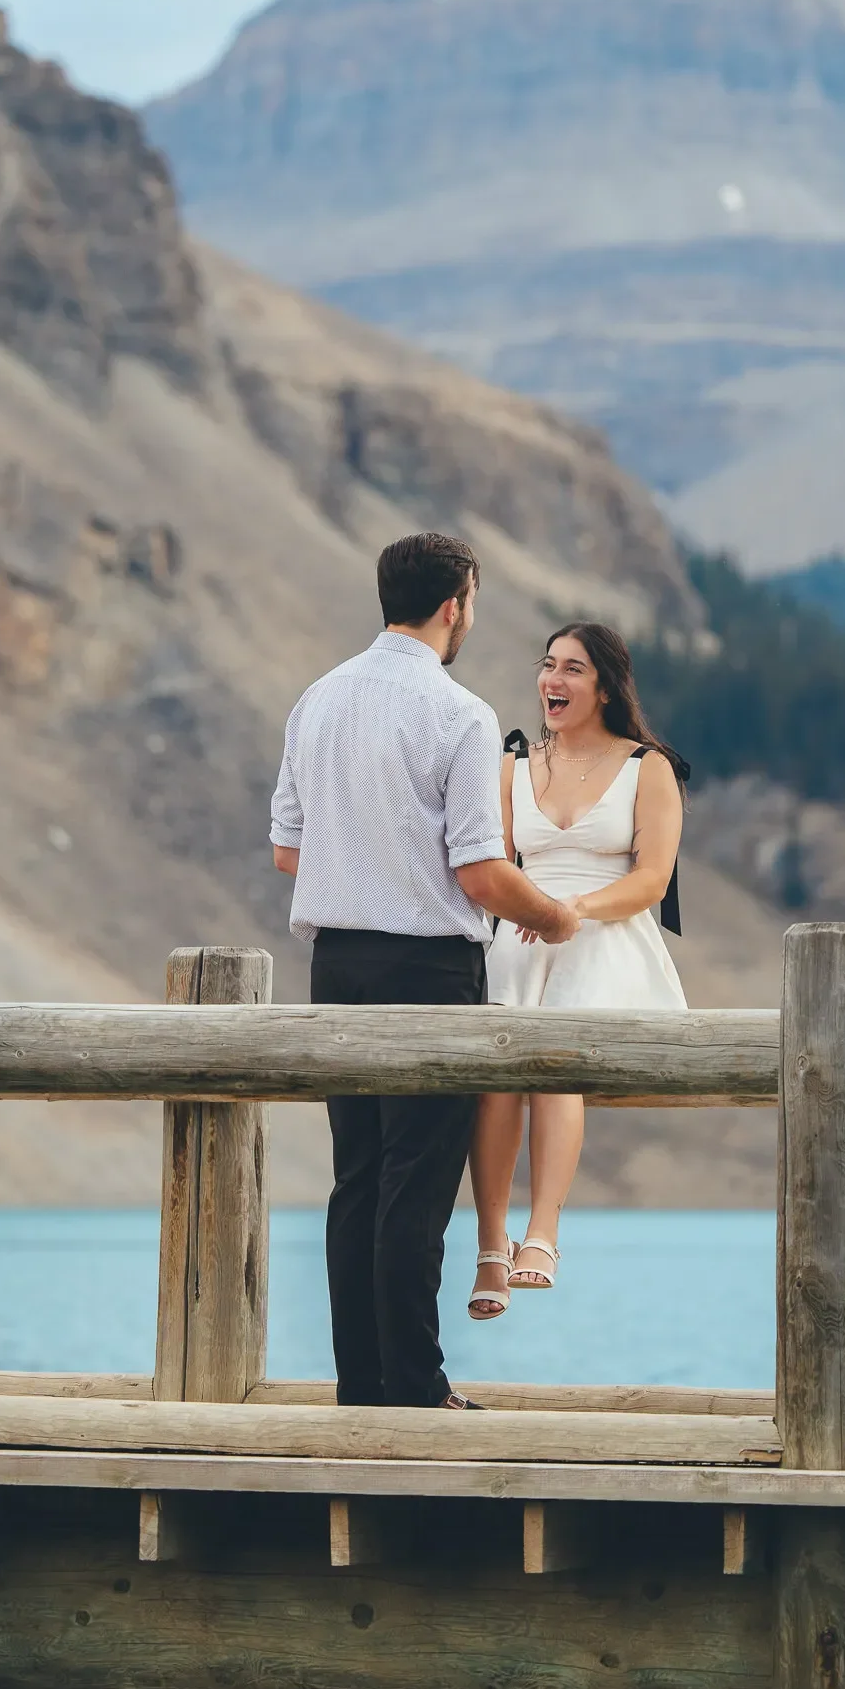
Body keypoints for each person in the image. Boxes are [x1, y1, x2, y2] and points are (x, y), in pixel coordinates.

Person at [270, 533, 580, 1408]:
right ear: (455, 605)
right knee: (415, 1184)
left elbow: (288, 853)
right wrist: (554, 916)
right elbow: (480, 873)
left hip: (336, 967)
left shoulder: (317, 700)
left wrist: (366, 861)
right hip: (430, 968)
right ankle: (415, 1382)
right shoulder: (459, 714)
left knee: (356, 1179)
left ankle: (361, 1383)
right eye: (472, 602)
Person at [467, 622, 686, 1316]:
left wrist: (574, 909)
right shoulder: (513, 762)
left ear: (604, 687)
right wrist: (532, 910)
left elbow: (652, 879)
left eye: (572, 670)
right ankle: (490, 1245)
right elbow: (496, 862)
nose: (552, 682)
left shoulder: (646, 766)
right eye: (547, 666)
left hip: (605, 932)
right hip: (522, 934)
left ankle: (544, 1233)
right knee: (496, 1069)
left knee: (552, 1051)